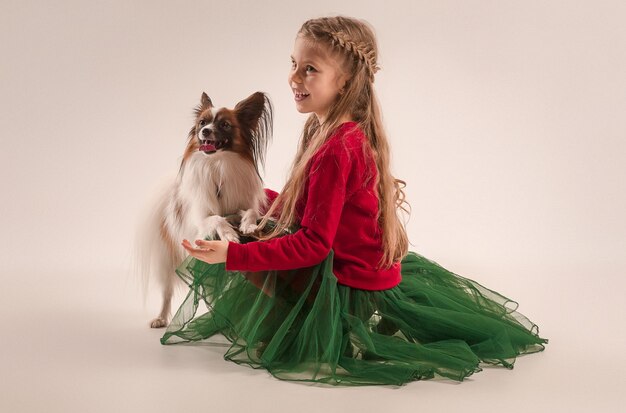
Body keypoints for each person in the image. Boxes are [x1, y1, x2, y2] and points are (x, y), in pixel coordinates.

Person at [163, 15, 547, 386]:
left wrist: (234, 257)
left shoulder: (337, 147)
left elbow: (313, 245)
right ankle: (295, 301)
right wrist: (259, 204)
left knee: (240, 245)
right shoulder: (327, 127)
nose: (294, 77)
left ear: (344, 80)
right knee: (250, 215)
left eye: (309, 68)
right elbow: (305, 207)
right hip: (346, 261)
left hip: (343, 279)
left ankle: (311, 320)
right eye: (293, 64)